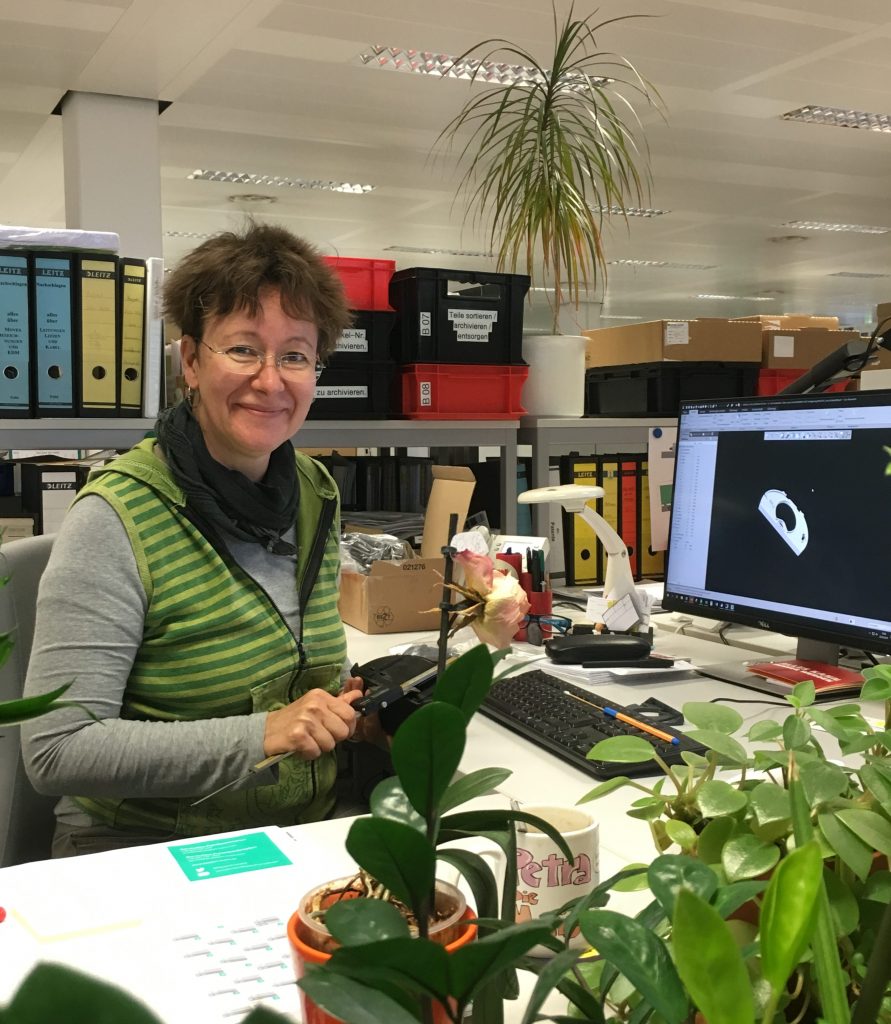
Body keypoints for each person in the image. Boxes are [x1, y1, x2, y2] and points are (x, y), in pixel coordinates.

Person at [22, 222, 369, 857]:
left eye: (294, 355)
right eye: (242, 349)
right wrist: (265, 732)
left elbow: (290, 656)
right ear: (190, 361)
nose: (270, 380)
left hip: (293, 830)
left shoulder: (316, 491)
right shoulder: (116, 515)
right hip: (145, 844)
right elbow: (57, 747)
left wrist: (350, 703)